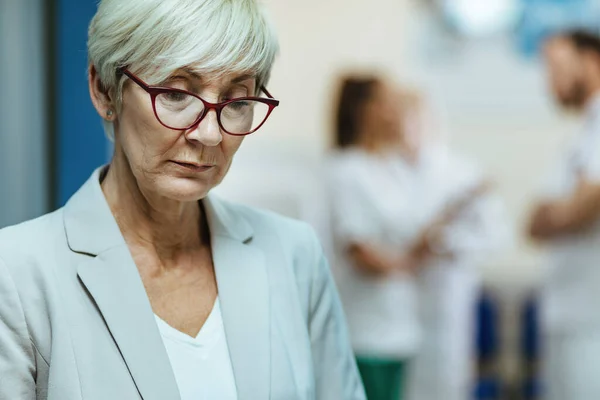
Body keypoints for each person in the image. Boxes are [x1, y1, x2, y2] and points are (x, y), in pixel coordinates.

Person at [0, 1, 365, 399]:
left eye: (237, 102)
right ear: (104, 89)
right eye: (176, 94)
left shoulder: (295, 255)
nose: (209, 134)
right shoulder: (17, 276)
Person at [396, 91, 508, 400]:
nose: (408, 129)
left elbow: (498, 237)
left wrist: (449, 243)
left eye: (415, 120)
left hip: (448, 304)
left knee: (446, 385)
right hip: (398, 307)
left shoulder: (462, 172)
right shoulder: (385, 173)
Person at [528, 29, 600, 400]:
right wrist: (563, 210)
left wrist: (564, 210)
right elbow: (533, 223)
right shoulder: (583, 134)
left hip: (591, 319)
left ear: (591, 61)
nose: (548, 81)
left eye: (556, 67)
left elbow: (588, 204)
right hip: (572, 314)